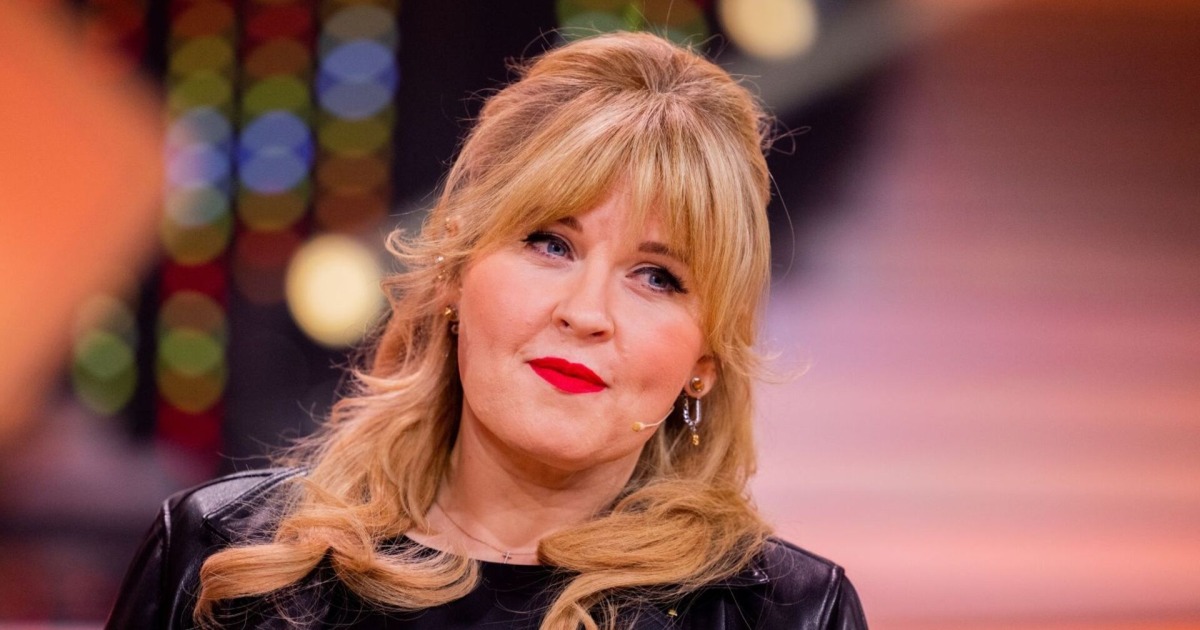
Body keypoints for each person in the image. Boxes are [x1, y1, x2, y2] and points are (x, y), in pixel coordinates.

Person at [106, 31, 867, 629]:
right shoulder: (225, 560)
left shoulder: (788, 615)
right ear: (454, 271)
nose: (585, 313)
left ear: (706, 359)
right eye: (551, 243)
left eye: (657, 277)